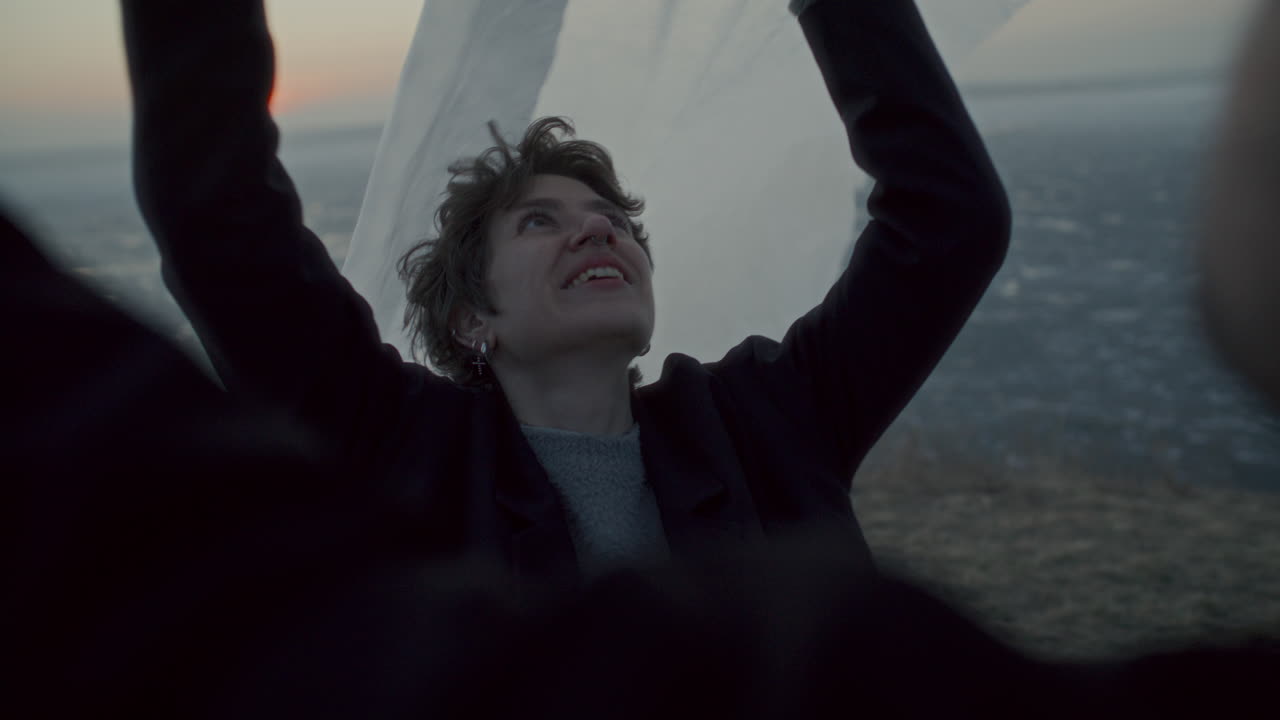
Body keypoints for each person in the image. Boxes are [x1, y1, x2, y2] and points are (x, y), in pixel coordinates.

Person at [125, 0, 1009, 584]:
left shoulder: (770, 425)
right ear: (471, 318)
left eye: (611, 217)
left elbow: (949, 221)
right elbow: (219, 221)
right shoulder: (396, 451)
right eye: (539, 222)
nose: (600, 228)